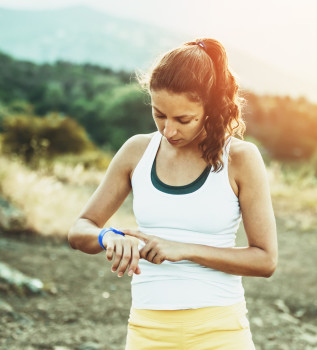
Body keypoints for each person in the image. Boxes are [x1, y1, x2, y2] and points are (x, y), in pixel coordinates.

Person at [67, 38, 277, 350]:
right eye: (159, 114)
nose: (169, 131)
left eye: (183, 119)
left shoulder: (240, 159)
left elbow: (265, 260)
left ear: (211, 107)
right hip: (147, 331)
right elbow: (80, 228)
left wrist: (184, 249)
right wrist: (107, 236)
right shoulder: (137, 151)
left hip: (220, 331)